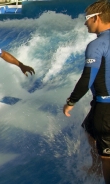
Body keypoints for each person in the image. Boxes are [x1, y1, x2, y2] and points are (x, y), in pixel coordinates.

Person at [62, 1, 110, 184]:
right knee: (88, 129)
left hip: (106, 107)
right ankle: (96, 168)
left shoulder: (97, 44)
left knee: (108, 155)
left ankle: (103, 171)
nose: (85, 23)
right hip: (99, 106)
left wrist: (71, 101)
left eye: (87, 19)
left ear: (96, 18)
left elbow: (87, 77)